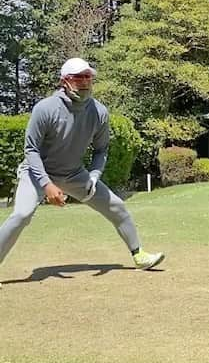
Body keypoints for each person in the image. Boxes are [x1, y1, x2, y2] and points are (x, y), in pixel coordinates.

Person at [0, 58, 164, 286]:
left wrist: (95, 176)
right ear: (64, 81)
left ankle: (139, 255)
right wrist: (47, 185)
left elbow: (101, 150)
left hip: (74, 174)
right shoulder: (45, 109)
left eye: (88, 77)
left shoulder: (99, 112)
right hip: (36, 173)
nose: (85, 82)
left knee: (116, 206)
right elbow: (31, 150)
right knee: (22, 215)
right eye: (78, 77)